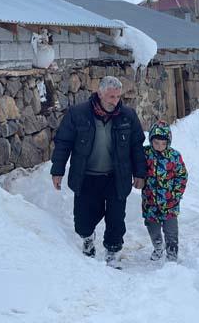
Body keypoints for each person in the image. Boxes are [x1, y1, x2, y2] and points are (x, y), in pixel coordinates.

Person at [50, 76, 146, 267]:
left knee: (116, 219)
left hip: (116, 176)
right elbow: (63, 142)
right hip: (87, 176)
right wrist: (58, 170)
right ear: (100, 93)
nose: (115, 101)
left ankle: (112, 251)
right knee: (83, 220)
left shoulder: (128, 116)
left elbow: (137, 146)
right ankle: (87, 238)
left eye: (118, 96)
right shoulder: (78, 114)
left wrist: (140, 173)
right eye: (111, 96)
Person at [142, 120, 188, 262]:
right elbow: (136, 167)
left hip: (170, 203)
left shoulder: (174, 156)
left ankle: (172, 253)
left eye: (163, 144)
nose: (160, 147)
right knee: (153, 228)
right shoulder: (145, 154)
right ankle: (158, 247)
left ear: (168, 142)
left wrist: (176, 195)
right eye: (156, 143)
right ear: (151, 140)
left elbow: (182, 176)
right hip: (150, 202)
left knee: (171, 231)